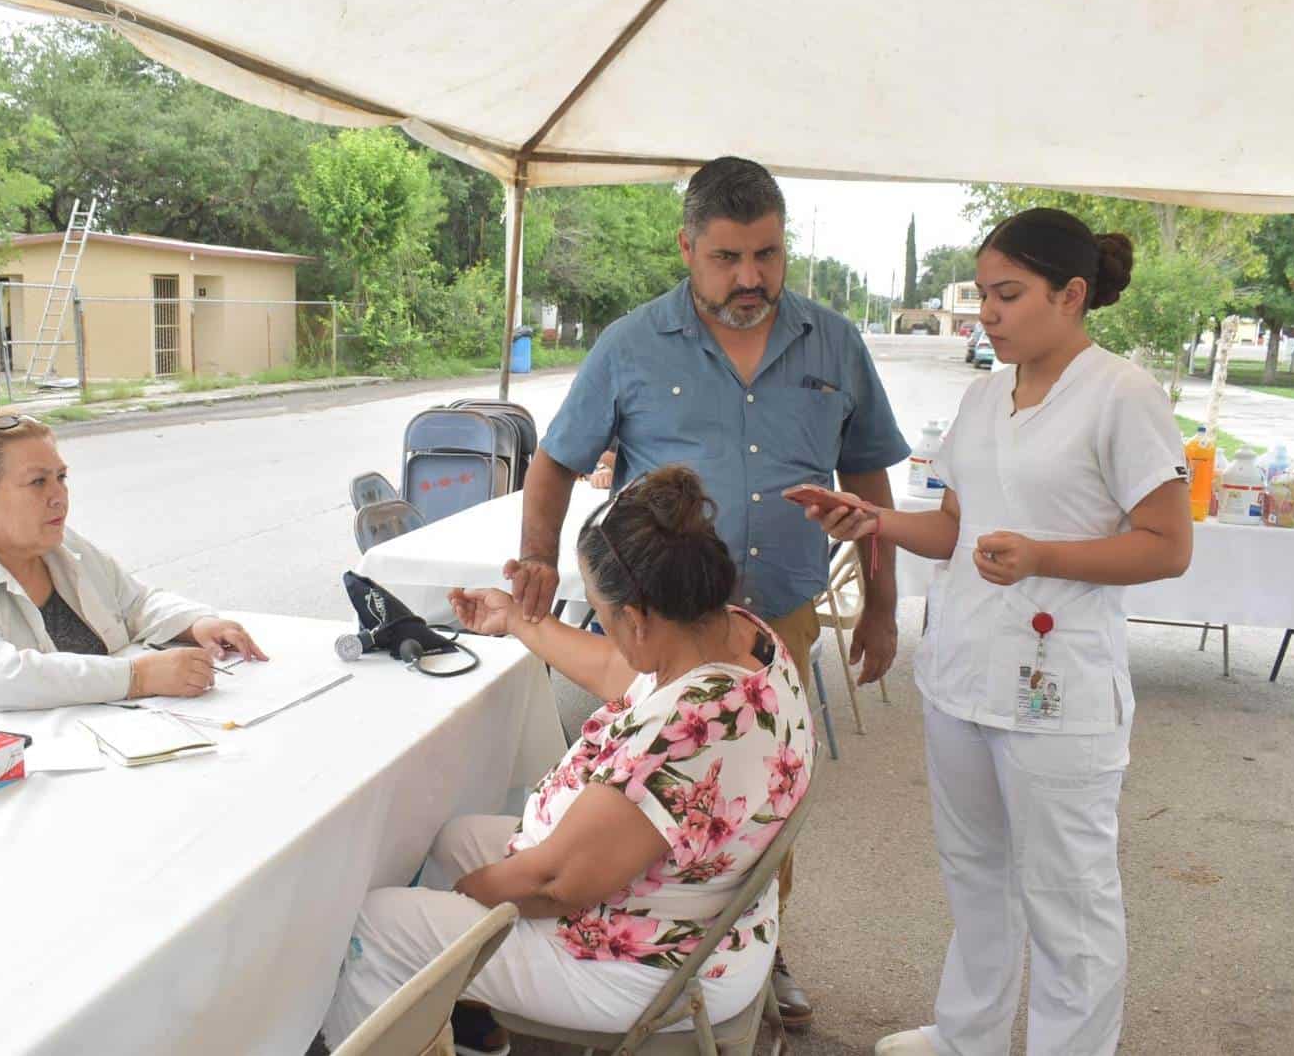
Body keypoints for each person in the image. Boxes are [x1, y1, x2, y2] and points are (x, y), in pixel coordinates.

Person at [503, 155, 910, 1023]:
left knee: (756, 803)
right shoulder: (631, 344)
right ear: (687, 247)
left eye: (766, 253)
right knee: (636, 795)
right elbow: (555, 462)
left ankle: (753, 952)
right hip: (662, 628)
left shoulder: (835, 341)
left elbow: (871, 480)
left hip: (780, 621)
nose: (750, 277)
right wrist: (539, 557)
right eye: (727, 257)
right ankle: (617, 951)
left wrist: (882, 602)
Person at [808, 208, 1192, 1056]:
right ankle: (968, 1037)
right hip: (961, 675)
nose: (987, 311)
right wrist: (871, 520)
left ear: (1072, 294)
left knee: (1070, 899)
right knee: (977, 876)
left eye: (1008, 294)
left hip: (1059, 690)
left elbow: (1169, 547)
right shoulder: (983, 396)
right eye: (983, 294)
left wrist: (1045, 555)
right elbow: (956, 526)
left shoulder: (1122, 395)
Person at [322, 467, 816, 1052]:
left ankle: (412, 1002)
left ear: (635, 618)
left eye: (605, 615)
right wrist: (517, 620)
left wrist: (459, 908)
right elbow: (619, 670)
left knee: (377, 924)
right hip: (694, 906)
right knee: (450, 838)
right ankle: (468, 1026)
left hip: (647, 961)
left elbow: (555, 885)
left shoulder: (684, 734)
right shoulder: (735, 636)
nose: (607, 630)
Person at [0, 408, 267, 713]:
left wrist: (195, 624)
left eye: (61, 477)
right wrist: (137, 677)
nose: (58, 495)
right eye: (37, 482)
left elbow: (134, 603)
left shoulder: (58, 547)